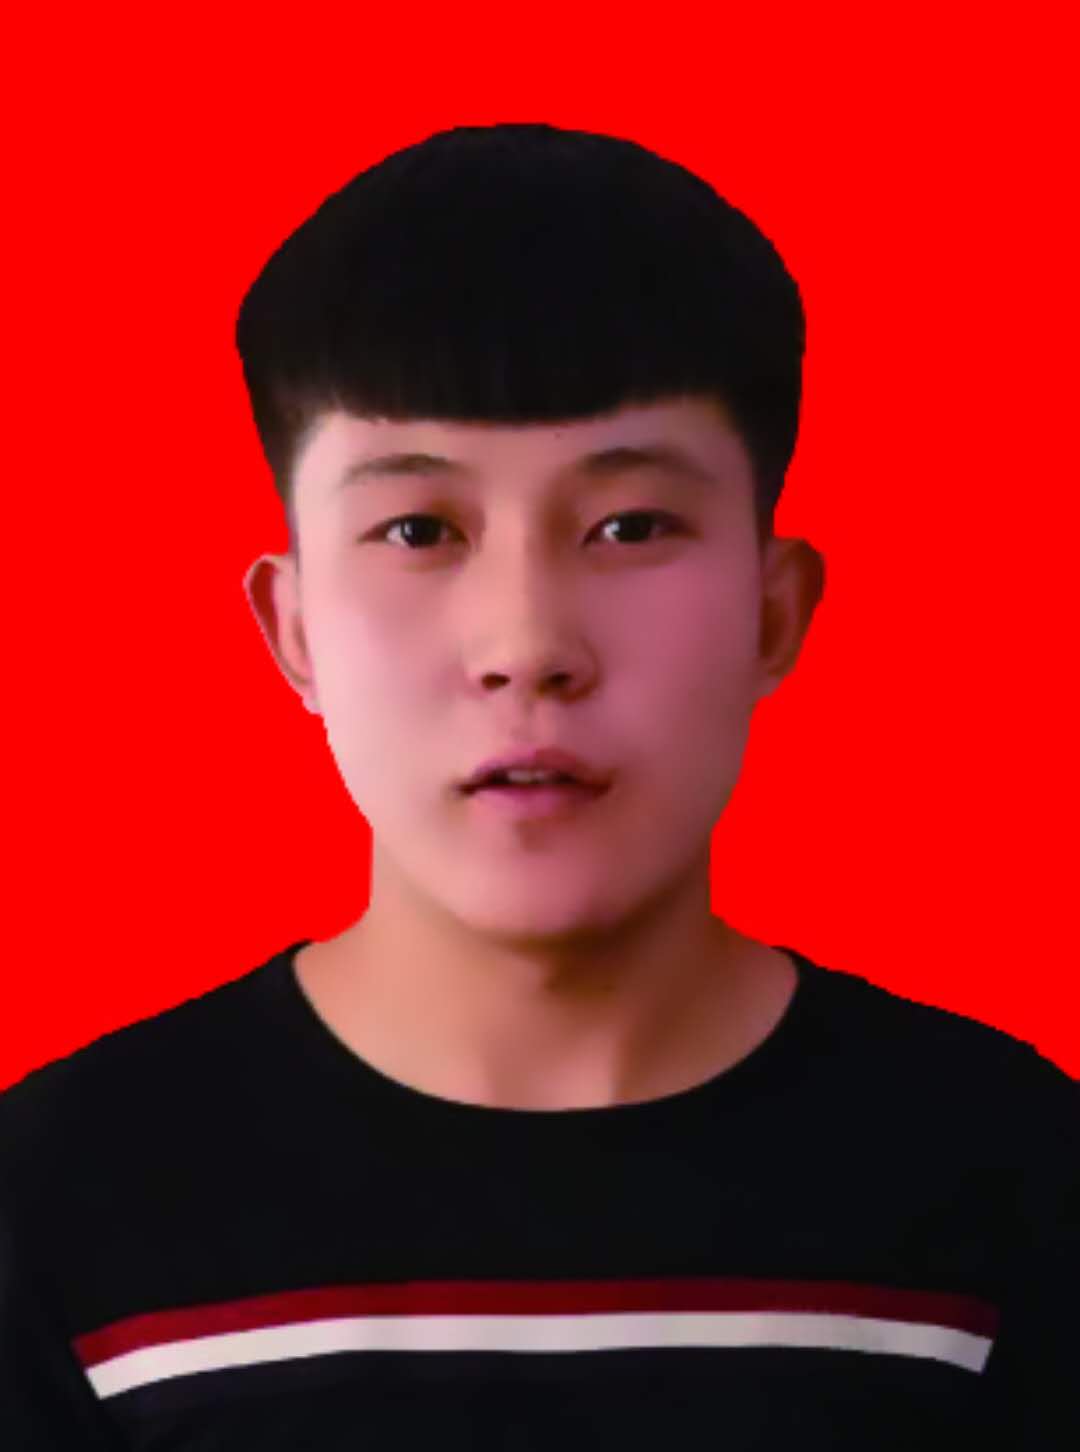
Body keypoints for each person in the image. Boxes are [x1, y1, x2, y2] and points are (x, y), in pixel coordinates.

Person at [1, 122, 1075, 1451]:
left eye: (630, 526)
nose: (527, 645)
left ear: (775, 613)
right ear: (293, 630)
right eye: (419, 529)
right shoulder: (58, 1209)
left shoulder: (1017, 1189)